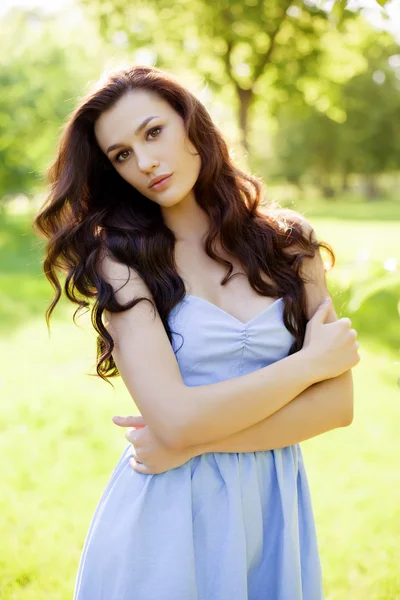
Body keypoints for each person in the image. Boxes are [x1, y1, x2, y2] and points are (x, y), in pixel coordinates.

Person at [33, 64, 360, 600]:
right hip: (166, 517)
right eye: (121, 155)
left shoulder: (289, 242)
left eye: (153, 132)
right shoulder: (122, 261)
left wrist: (188, 443)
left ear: (191, 123)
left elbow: (336, 407)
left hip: (271, 512)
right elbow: (175, 420)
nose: (144, 162)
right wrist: (308, 365)